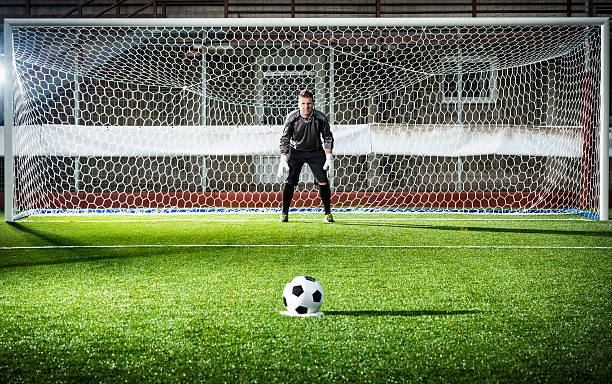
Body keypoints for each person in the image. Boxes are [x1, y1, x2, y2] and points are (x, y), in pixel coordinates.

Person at [277, 89, 334, 223]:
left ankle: (328, 214)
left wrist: (329, 157)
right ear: (298, 104)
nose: (306, 106)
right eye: (303, 103)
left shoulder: (321, 117)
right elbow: (285, 138)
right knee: (290, 181)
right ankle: (284, 213)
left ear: (313, 103)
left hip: (316, 151)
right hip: (296, 151)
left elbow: (327, 137)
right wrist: (283, 158)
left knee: (323, 182)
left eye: (308, 103)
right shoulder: (292, 117)